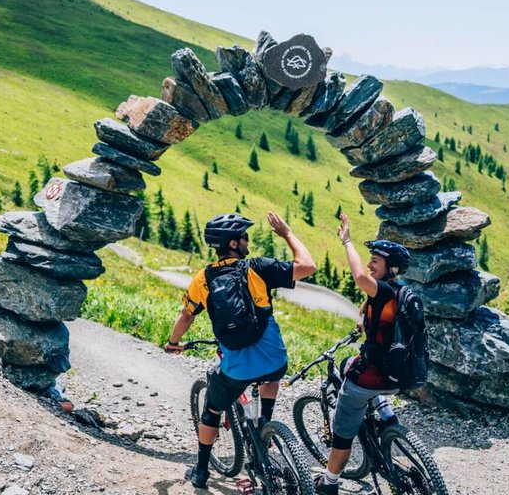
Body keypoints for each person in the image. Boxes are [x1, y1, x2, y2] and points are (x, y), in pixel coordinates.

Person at [165, 212, 316, 489]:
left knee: (211, 409)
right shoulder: (256, 267)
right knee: (272, 375)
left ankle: (201, 471)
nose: (248, 241)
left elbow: (186, 316)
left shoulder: (204, 278)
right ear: (233, 243)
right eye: (244, 237)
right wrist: (287, 233)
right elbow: (308, 265)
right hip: (274, 358)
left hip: (237, 368)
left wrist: (174, 342)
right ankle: (264, 425)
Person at [314, 213, 412, 495]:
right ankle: (386, 416)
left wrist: (346, 240)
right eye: (370, 259)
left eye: (376, 261)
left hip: (373, 376)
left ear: (389, 268)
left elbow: (359, 276)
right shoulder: (402, 293)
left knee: (342, 428)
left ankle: (330, 483)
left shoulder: (380, 291)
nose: (370, 265)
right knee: (348, 364)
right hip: (399, 374)